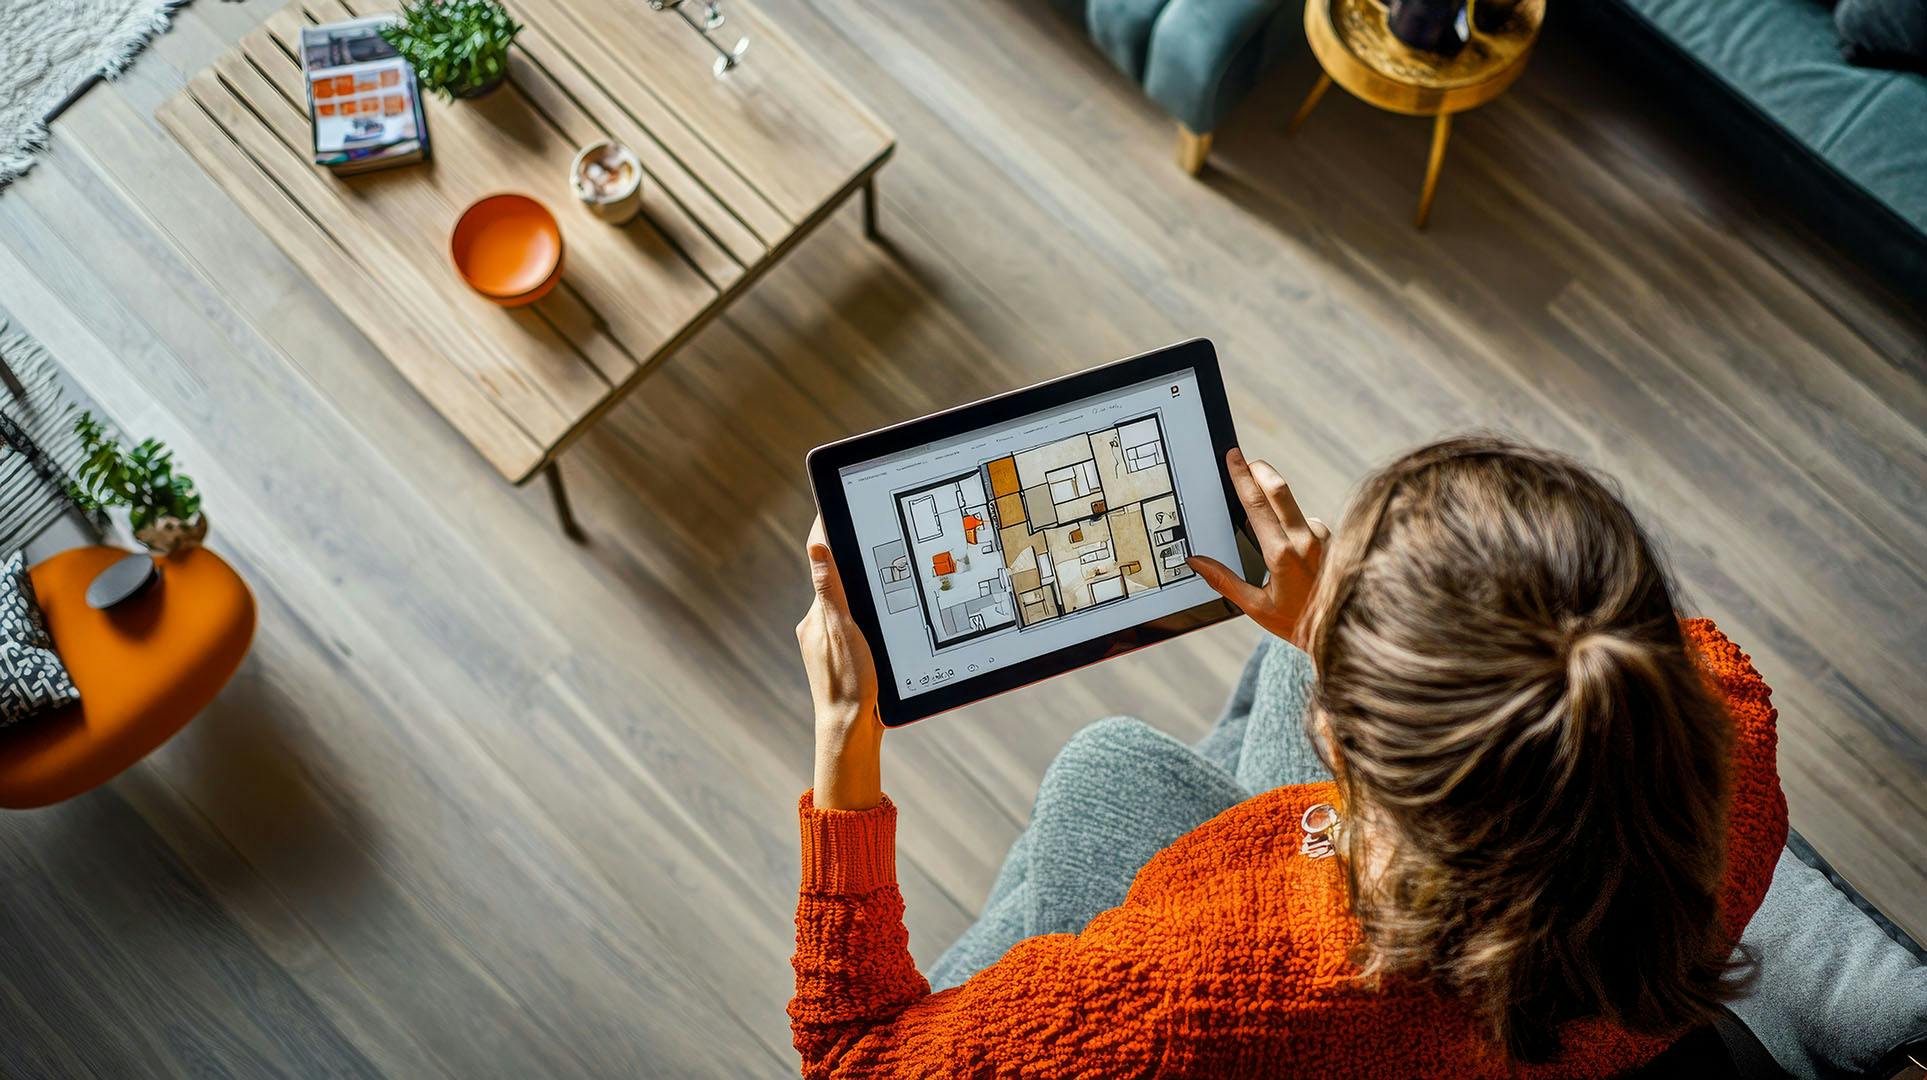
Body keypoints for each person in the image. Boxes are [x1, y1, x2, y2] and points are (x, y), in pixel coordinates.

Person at [789, 435, 1786, 1078]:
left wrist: (846, 750)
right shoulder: (1715, 711)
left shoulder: (1205, 983)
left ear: (1349, 743)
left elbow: (854, 1060)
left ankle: (1005, 948)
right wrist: (1329, 637)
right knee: (1268, 671)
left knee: (1103, 771)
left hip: (1365, 1011)